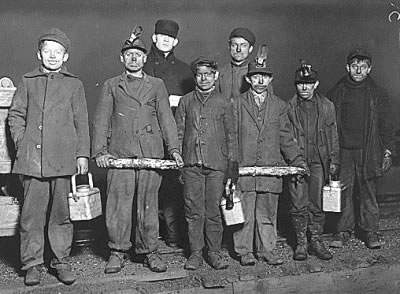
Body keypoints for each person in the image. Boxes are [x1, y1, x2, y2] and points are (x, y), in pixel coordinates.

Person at [91, 27, 184, 274]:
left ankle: (149, 251)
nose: (134, 58)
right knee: (118, 206)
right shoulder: (112, 85)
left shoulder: (157, 85)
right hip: (120, 153)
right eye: (129, 54)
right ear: (122, 58)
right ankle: (117, 251)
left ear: (145, 58)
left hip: (150, 154)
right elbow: (101, 120)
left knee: (148, 205)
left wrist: (173, 149)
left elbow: (166, 119)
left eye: (138, 55)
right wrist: (100, 151)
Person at [8, 28, 90, 286]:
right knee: (31, 216)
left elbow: (82, 122)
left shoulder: (74, 84)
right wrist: (23, 143)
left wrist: (82, 155)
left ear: (65, 57)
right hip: (33, 161)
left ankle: (60, 260)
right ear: (39, 54)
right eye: (47, 51)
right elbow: (15, 116)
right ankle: (32, 263)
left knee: (61, 215)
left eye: (58, 52)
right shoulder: (28, 81)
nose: (52, 56)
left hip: (63, 160)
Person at [232, 46, 307, 266]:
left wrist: (297, 160)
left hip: (269, 169)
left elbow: (285, 137)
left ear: (270, 79)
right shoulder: (236, 104)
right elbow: (231, 136)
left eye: (264, 77)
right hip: (244, 170)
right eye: (256, 77)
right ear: (248, 79)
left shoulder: (279, 106)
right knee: (244, 214)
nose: (260, 82)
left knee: (266, 213)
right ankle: (244, 251)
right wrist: (231, 165)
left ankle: (266, 250)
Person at [327, 48, 395, 249]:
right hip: (344, 152)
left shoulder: (378, 94)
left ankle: (370, 232)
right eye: (354, 66)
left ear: (369, 69)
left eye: (363, 67)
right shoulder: (336, 92)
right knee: (343, 193)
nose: (358, 70)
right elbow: (329, 124)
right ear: (347, 67)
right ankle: (341, 232)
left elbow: (387, 125)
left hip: (369, 151)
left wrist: (388, 151)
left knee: (368, 193)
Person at [175, 57, 238, 270]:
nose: (204, 78)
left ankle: (213, 252)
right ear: (195, 77)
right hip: (191, 164)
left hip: (216, 165)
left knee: (213, 211)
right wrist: (180, 163)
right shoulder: (185, 101)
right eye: (200, 74)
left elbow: (231, 135)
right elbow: (179, 132)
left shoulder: (223, 102)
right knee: (193, 211)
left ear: (216, 76)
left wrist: (232, 167)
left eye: (208, 74)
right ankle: (195, 253)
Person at [143, 19, 194, 248]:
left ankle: (174, 234)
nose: (165, 40)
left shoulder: (185, 70)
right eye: (161, 36)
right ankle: (149, 238)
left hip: (176, 133)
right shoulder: (141, 65)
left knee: (174, 185)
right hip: (148, 133)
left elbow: (193, 104)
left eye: (170, 37)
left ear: (176, 41)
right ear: (154, 38)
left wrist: (179, 102)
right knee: (148, 186)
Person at [286, 61, 339, 261]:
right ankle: (301, 243)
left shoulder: (327, 106)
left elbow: (333, 134)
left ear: (316, 84)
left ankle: (316, 240)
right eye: (300, 83)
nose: (304, 87)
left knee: (317, 203)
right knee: (298, 204)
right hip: (297, 163)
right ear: (295, 85)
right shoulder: (289, 108)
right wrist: (293, 161)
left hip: (319, 161)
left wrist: (334, 160)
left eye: (309, 83)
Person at [218, 28, 272, 101]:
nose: (238, 49)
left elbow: (268, 102)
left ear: (250, 49)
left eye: (243, 45)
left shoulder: (258, 72)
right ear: (229, 47)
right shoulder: (221, 72)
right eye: (234, 45)